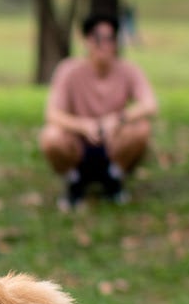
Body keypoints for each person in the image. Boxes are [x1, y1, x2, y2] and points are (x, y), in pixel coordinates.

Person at [40, 12, 157, 210]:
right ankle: (74, 179)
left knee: (142, 128)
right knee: (50, 135)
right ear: (86, 40)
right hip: (78, 143)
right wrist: (83, 126)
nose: (103, 44)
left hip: (113, 142)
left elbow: (150, 105)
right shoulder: (68, 70)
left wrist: (117, 119)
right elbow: (52, 113)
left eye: (110, 38)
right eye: (97, 38)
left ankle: (113, 177)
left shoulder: (129, 70)